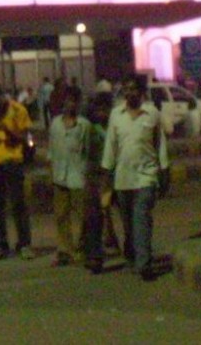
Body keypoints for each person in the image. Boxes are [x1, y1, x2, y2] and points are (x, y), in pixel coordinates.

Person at [101, 76, 169, 281]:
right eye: (126, 89)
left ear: (141, 92)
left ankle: (144, 264)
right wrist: (107, 176)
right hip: (123, 178)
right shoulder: (116, 115)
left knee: (141, 220)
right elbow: (110, 146)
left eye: (133, 89)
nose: (129, 93)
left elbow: (160, 145)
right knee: (129, 224)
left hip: (146, 176)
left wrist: (164, 172)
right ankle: (132, 254)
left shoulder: (152, 114)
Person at [0, 80, 34, 260]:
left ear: (0, 95)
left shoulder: (18, 110)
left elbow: (25, 139)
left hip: (12, 160)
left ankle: (24, 244)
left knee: (18, 204)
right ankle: (0, 245)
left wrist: (6, 130)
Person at [47, 86, 91, 267]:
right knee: (61, 216)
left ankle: (81, 249)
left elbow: (88, 152)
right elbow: (51, 150)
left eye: (73, 100)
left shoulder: (84, 125)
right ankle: (65, 250)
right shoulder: (55, 124)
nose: (69, 104)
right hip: (59, 176)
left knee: (82, 216)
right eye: (66, 100)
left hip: (77, 177)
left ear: (78, 103)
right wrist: (51, 172)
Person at [84, 92, 120, 273]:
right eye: (99, 109)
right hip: (97, 177)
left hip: (116, 175)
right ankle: (95, 255)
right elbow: (88, 156)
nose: (102, 113)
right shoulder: (92, 129)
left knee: (120, 212)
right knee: (96, 216)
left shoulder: (115, 127)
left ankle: (120, 244)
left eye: (105, 109)